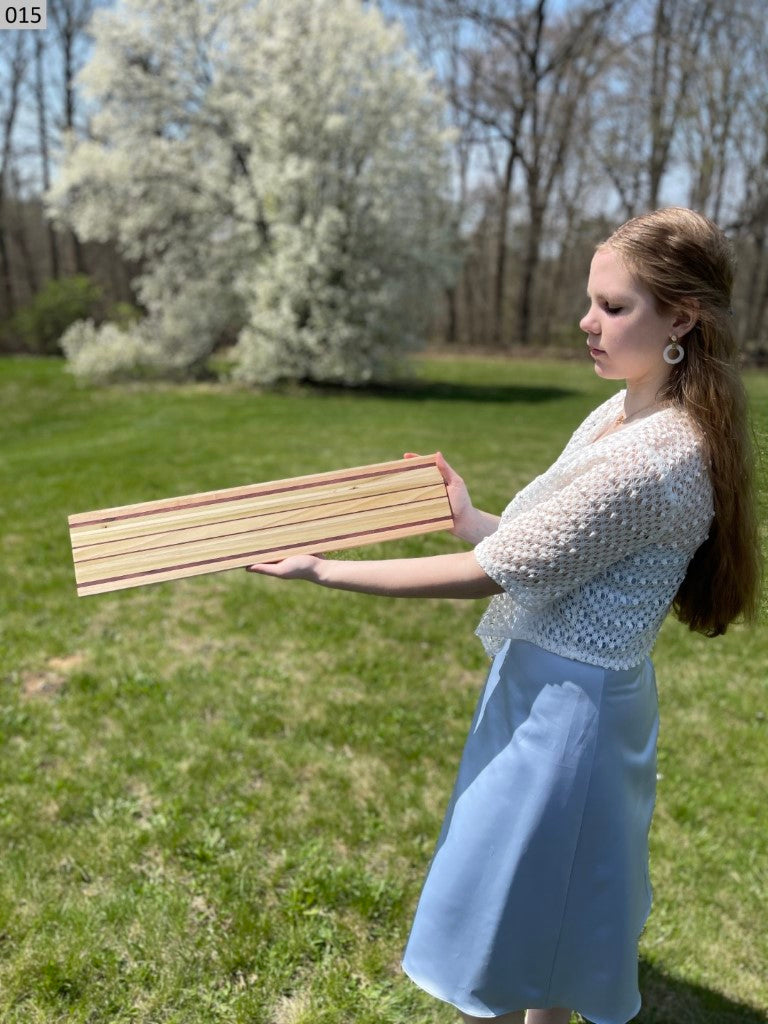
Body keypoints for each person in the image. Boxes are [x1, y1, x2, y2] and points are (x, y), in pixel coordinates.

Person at [245, 207, 762, 1024]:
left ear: (682, 318)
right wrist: (469, 514)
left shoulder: (655, 457)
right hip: (551, 690)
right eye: (591, 302)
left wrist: (322, 567)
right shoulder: (624, 411)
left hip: (572, 717)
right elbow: (549, 550)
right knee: (535, 912)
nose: (587, 324)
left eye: (614, 308)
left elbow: (499, 571)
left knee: (532, 900)